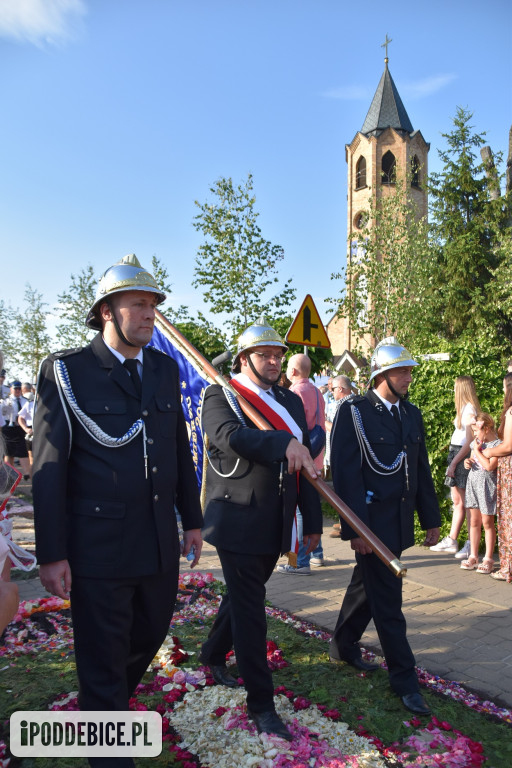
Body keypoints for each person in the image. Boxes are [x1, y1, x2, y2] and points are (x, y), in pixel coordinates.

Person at [33, 254, 203, 766]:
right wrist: (51, 553)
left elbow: (178, 446)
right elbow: (50, 467)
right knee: (103, 656)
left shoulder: (163, 368)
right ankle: (107, 732)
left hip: (156, 541)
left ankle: (101, 704)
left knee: (149, 632)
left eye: (153, 304)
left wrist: (191, 519)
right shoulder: (67, 373)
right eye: (139, 304)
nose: (150, 314)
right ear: (107, 310)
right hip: (98, 546)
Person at [199, 317, 322, 741]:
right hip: (237, 519)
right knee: (252, 611)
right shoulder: (222, 395)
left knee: (241, 596)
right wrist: (280, 443)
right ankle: (262, 704)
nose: (273, 361)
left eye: (277, 356)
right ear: (244, 359)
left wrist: (312, 521)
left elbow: (304, 460)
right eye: (264, 355)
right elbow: (229, 436)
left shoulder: (288, 400)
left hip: (278, 520)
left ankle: (212, 653)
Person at [329, 337, 441, 716]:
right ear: (381, 374)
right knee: (389, 602)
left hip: (399, 522)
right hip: (372, 523)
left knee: (367, 588)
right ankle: (404, 680)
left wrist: (431, 518)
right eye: (402, 371)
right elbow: (347, 477)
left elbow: (421, 469)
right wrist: (356, 530)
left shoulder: (411, 414)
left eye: (409, 370)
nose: (409, 376)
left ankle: (343, 645)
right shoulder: (355, 412)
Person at [276, 353, 325, 573]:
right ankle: (317, 555)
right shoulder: (317, 391)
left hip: (300, 458)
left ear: (293, 371)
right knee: (311, 504)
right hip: (317, 457)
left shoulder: (294, 393)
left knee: (298, 510)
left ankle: (299, 562)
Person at [430, 375, 481, 560]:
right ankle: (453, 539)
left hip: (461, 455)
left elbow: (469, 442)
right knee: (458, 501)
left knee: (465, 502)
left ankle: (468, 543)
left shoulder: (468, 411)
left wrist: (453, 462)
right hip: (457, 453)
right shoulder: (465, 409)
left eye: (455, 387)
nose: (453, 390)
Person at [482, 373, 512, 582]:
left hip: (509, 471)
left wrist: (490, 452)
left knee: (508, 519)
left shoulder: (511, 412)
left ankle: (507, 567)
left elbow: (508, 446)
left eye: (504, 387)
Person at [460, 413, 499, 573]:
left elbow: (490, 466)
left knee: (487, 522)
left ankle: (488, 558)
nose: (475, 434)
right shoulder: (475, 444)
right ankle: (473, 556)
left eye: (476, 431)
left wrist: (477, 451)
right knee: (474, 522)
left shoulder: (497, 445)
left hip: (487, 487)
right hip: (473, 485)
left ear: (487, 428)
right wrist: (467, 461)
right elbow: (472, 460)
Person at [326, 375, 353, 538]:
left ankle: (346, 524)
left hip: (343, 457)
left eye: (333, 389)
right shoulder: (355, 402)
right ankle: (344, 522)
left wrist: (321, 421)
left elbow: (338, 430)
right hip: (345, 456)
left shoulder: (343, 405)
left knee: (344, 492)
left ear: (341, 389)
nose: (331, 392)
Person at [1, 380, 31, 480]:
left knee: (23, 451)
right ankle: (8, 475)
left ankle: (27, 474)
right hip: (8, 429)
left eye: (19, 389)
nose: (17, 391)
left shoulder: (25, 401)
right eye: (15, 389)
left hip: (21, 428)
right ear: (11, 389)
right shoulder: (5, 401)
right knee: (9, 452)